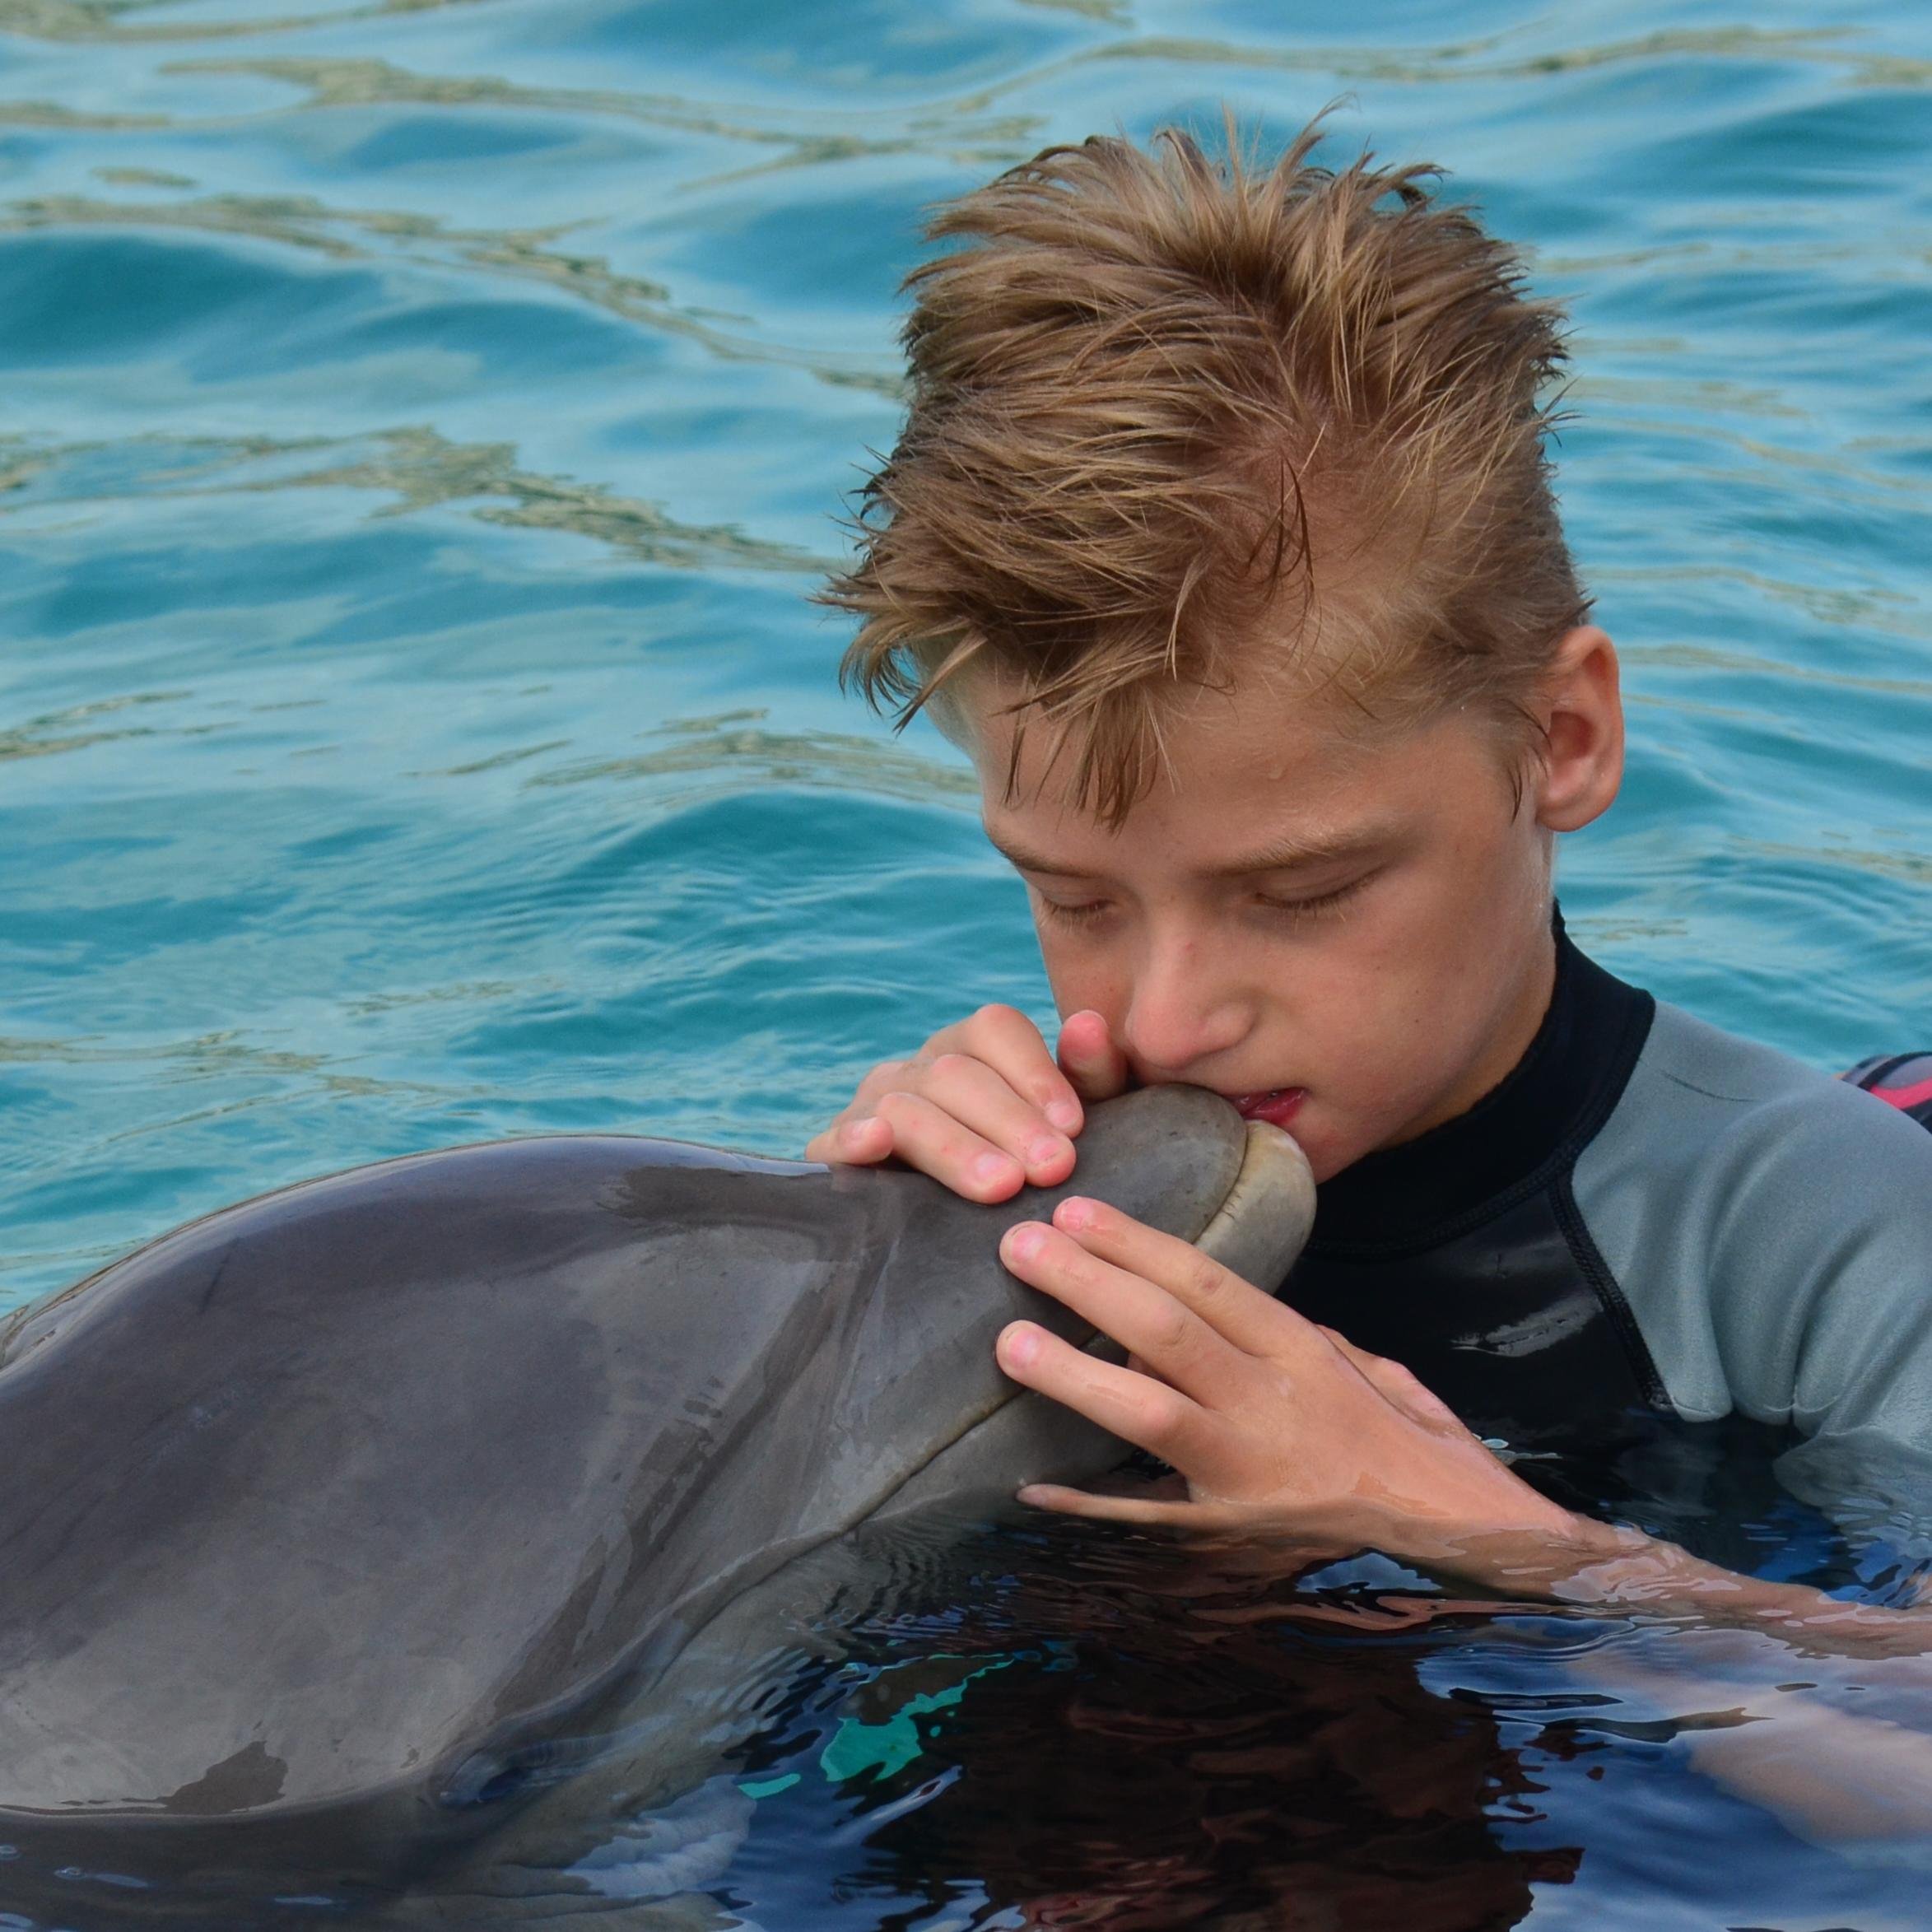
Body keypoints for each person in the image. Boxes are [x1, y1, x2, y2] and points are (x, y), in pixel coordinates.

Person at [804, 117, 1932, 1653]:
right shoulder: (1050, 1204)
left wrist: (1480, 1539)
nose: (1170, 1016)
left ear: (1563, 741)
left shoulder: (1827, 1246)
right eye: (1078, 901)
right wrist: (857, 1275)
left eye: (1305, 891)